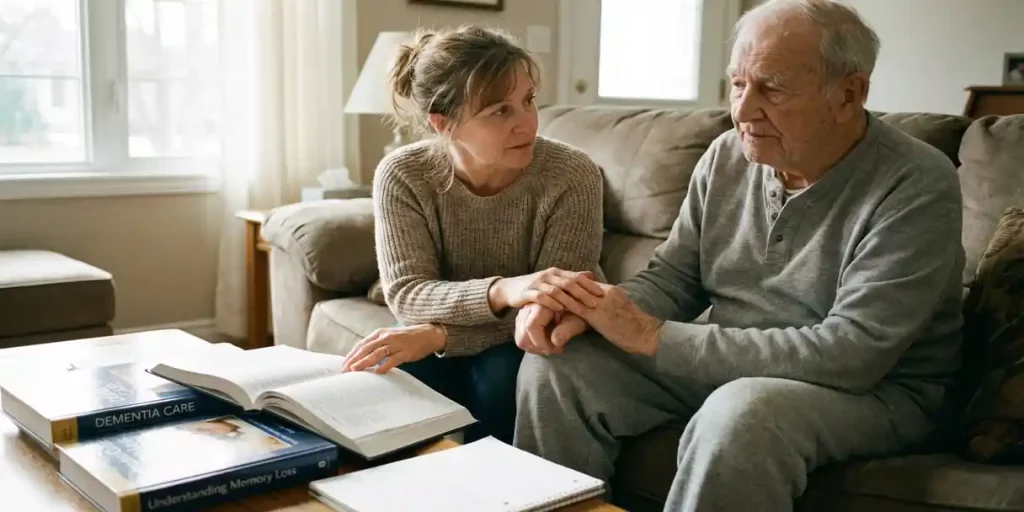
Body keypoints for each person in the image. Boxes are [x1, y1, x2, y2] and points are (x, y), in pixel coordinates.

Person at [513, 1, 965, 511]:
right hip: (737, 366)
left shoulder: (916, 182)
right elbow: (674, 279)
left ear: (849, 93)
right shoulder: (728, 154)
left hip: (878, 392)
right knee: (560, 365)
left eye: (771, 88)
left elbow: (853, 354)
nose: (744, 110)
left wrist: (649, 335)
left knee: (744, 411)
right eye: (736, 84)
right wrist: (588, 309)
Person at [339, 25, 606, 445]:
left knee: (499, 380)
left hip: (532, 332)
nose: (526, 124)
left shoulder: (573, 174)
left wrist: (442, 336)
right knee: (392, 374)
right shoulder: (403, 174)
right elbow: (408, 294)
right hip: (451, 318)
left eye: (529, 101)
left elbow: (555, 308)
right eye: (500, 110)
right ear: (443, 124)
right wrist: (503, 290)